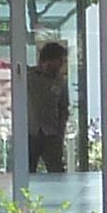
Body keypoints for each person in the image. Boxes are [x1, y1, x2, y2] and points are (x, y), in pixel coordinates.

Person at [26, 39, 72, 174]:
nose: (62, 65)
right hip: (30, 132)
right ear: (50, 59)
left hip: (51, 133)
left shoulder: (60, 82)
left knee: (56, 170)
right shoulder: (29, 77)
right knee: (28, 170)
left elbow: (63, 108)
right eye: (61, 61)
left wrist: (60, 132)